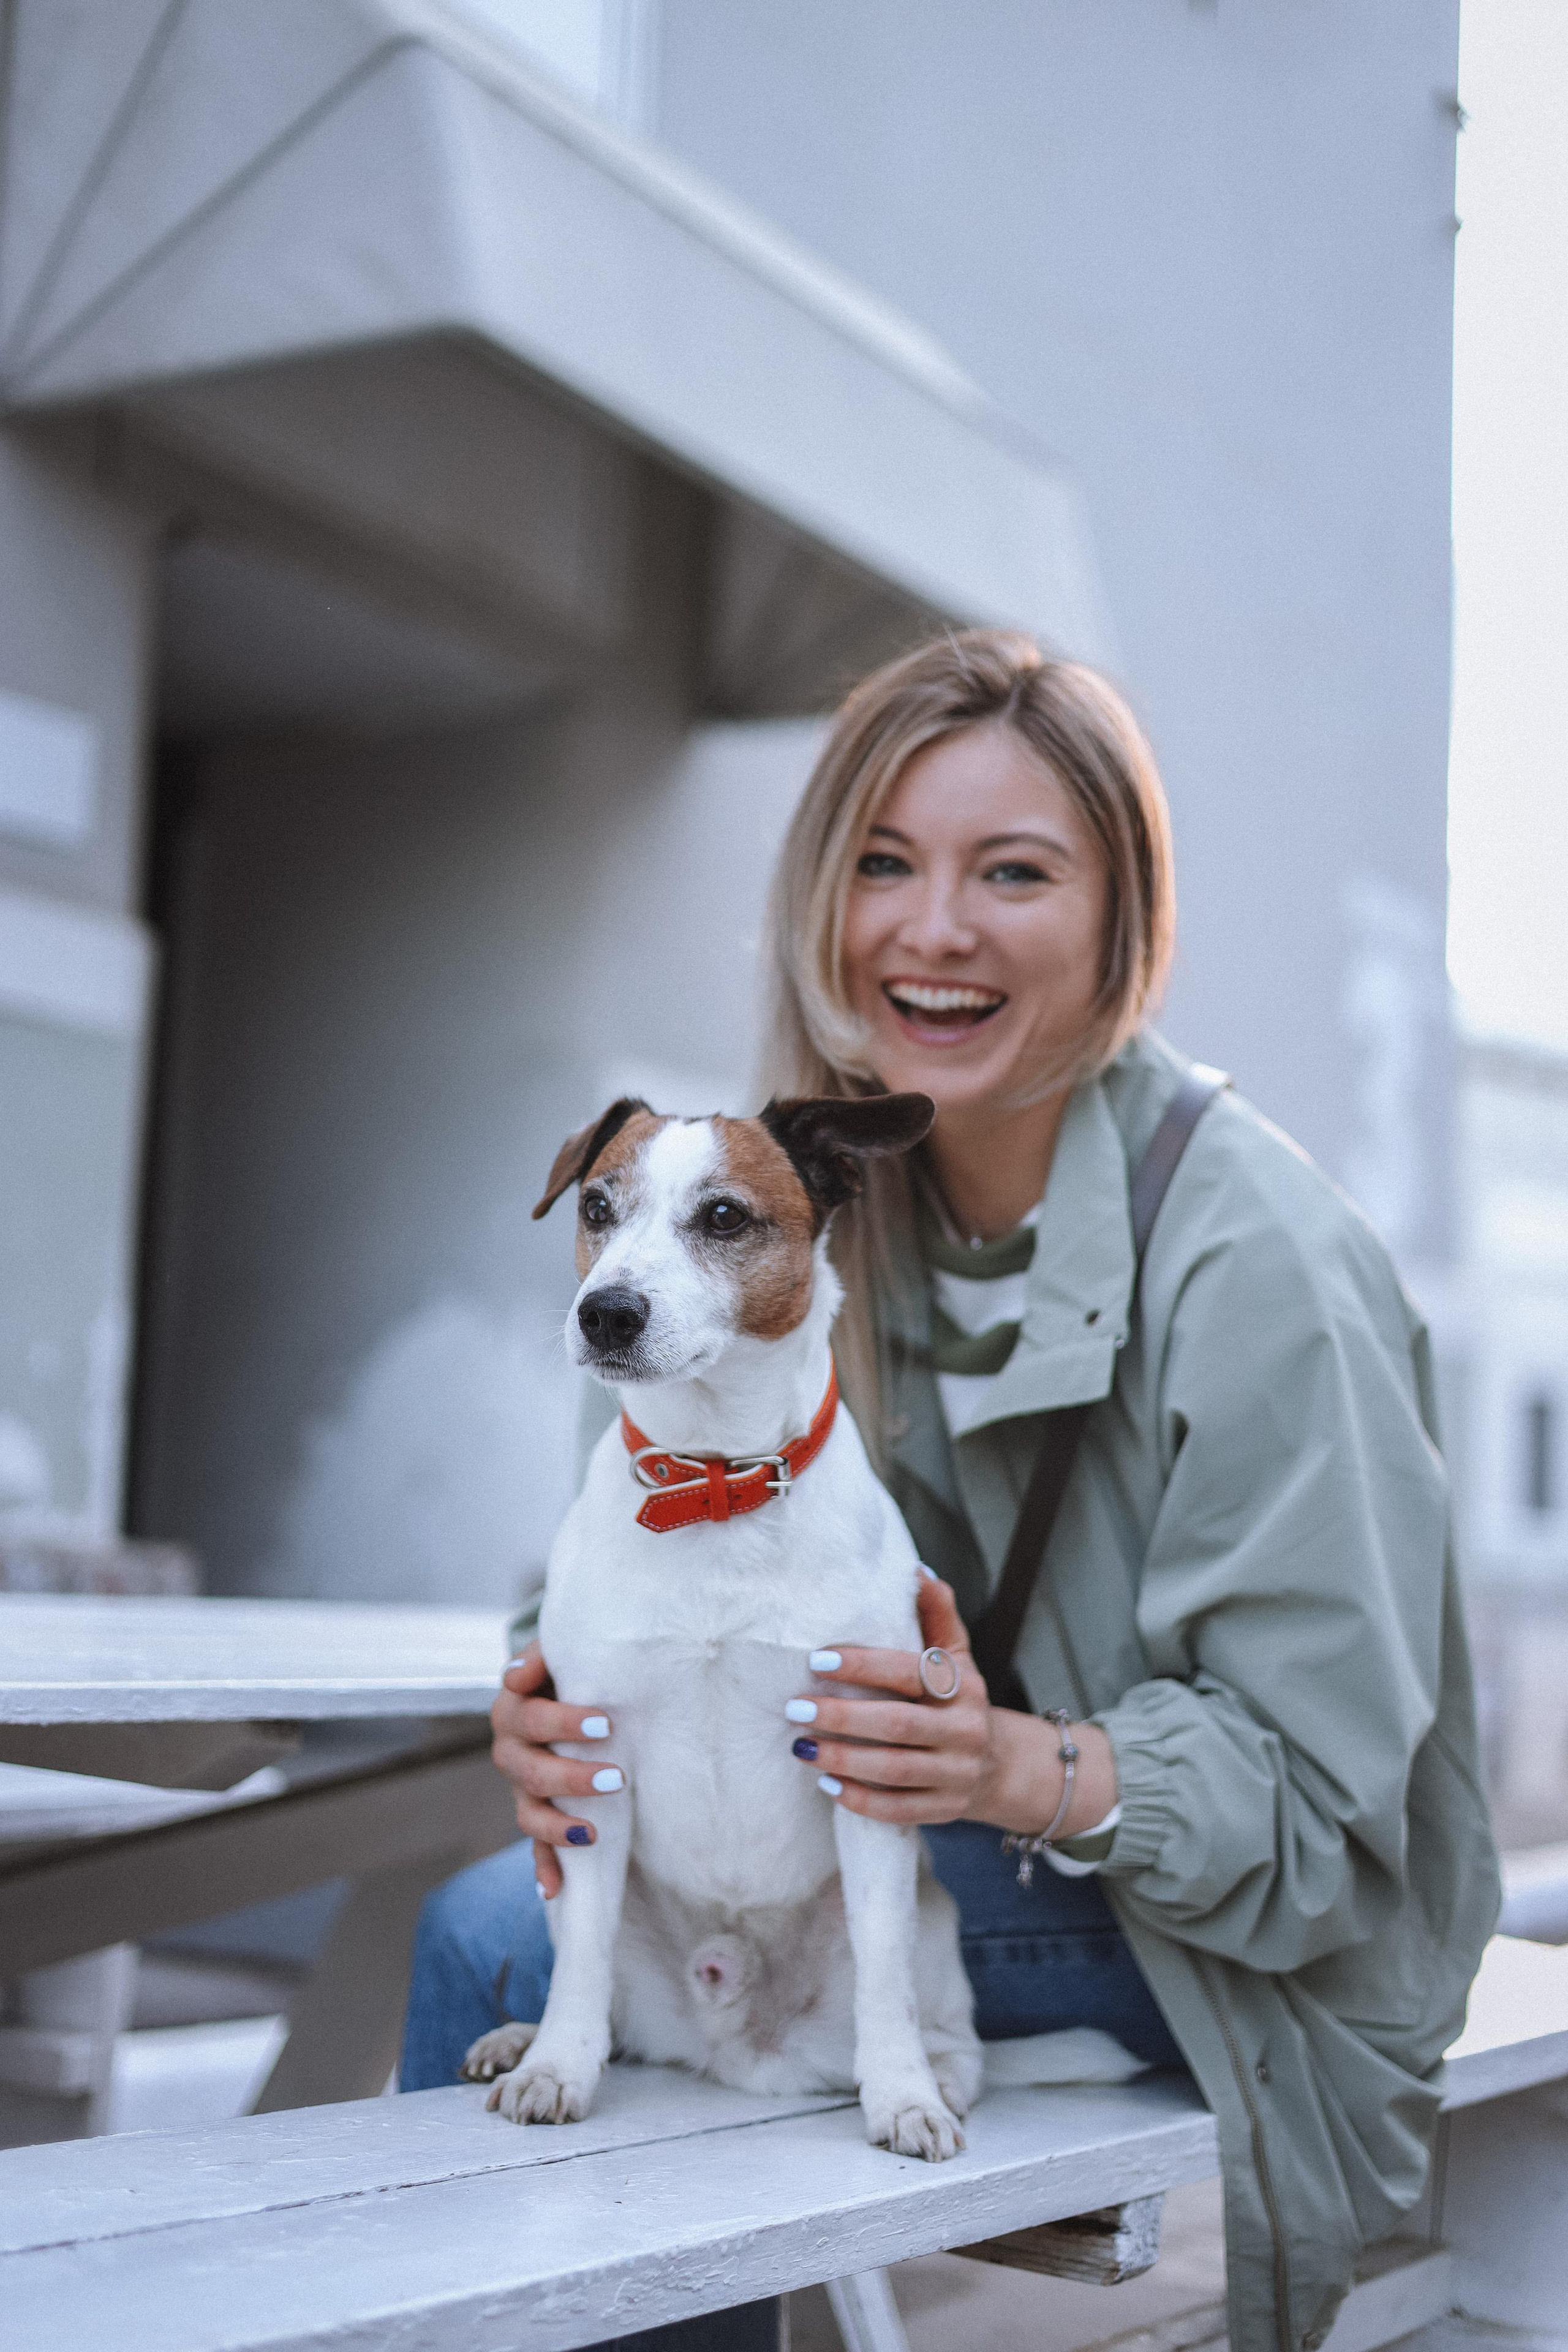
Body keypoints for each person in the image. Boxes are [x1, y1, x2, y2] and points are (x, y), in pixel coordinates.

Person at [399, 631, 1498, 2352]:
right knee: (529, 1917)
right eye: (885, 865)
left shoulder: (1260, 1260)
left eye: (1015, 872)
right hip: (944, 1832)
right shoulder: (809, 1207)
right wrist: (545, 1698)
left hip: (1221, 1918)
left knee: (494, 1947)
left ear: (1121, 914)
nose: (933, 928)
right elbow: (642, 1538)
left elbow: (1327, 1820)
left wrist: (1016, 1766)